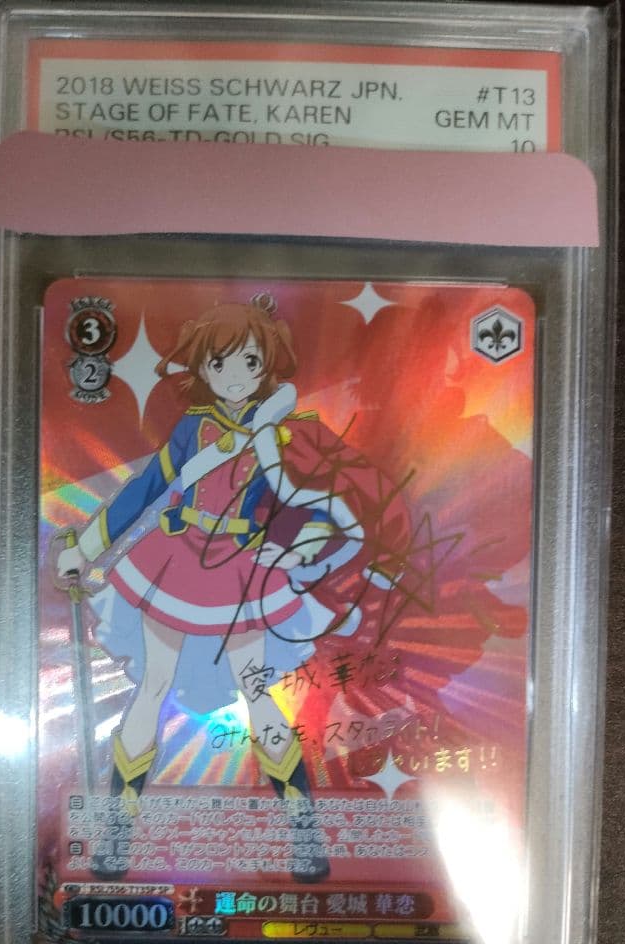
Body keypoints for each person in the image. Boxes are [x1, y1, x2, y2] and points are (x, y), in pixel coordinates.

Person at [57, 293, 410, 882]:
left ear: (267, 364)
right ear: (203, 367)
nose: (235, 375)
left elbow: (311, 501)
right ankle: (119, 830)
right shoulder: (193, 428)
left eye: (250, 361)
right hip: (175, 563)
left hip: (242, 570)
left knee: (257, 692)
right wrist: (85, 548)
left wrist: (304, 545)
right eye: (220, 362)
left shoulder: (285, 432)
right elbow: (144, 492)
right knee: (153, 687)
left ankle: (302, 830)